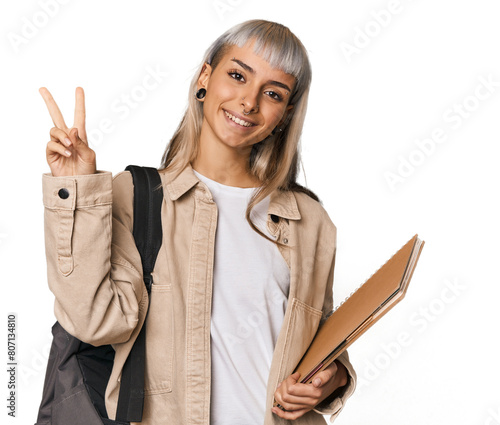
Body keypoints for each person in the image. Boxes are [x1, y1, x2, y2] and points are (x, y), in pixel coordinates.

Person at [40, 19, 357, 425]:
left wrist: (331, 379)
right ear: (205, 77)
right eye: (238, 75)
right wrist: (76, 191)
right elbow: (97, 321)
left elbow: (324, 343)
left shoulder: (307, 220)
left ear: (285, 112)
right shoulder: (138, 196)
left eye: (272, 93)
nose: (248, 102)